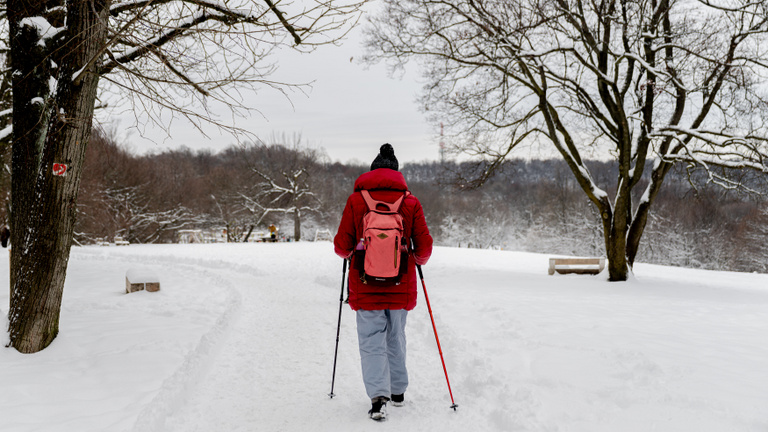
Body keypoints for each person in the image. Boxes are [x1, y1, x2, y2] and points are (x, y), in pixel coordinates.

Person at [334, 143, 433, 421]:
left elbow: (342, 246)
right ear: (397, 174)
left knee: (371, 340)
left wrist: (354, 250)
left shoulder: (356, 202)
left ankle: (379, 398)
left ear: (372, 171)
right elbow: (424, 248)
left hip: (365, 284)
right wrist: (416, 259)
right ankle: (398, 391)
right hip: (400, 284)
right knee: (396, 336)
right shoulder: (411, 202)